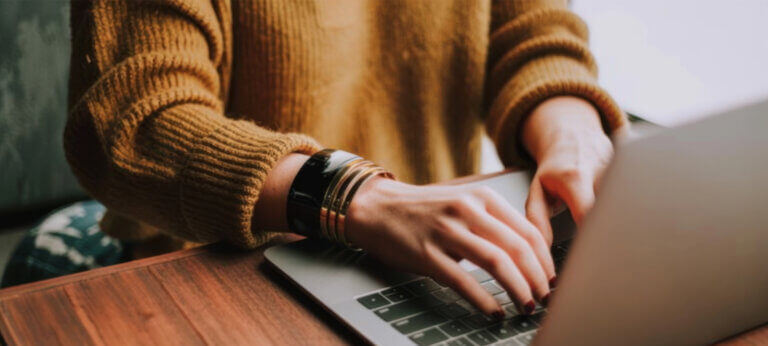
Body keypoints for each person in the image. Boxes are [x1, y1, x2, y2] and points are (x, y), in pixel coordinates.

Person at [6, 0, 628, 318]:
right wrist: (356, 196)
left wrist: (570, 123)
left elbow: (531, 29)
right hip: (220, 266)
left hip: (443, 256)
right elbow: (132, 121)